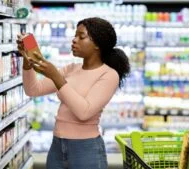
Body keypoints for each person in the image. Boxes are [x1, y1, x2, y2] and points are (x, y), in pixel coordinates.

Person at [17, 17, 130, 169]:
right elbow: (33, 90)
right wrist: (27, 61)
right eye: (75, 35)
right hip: (57, 145)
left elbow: (84, 112)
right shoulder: (71, 69)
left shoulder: (109, 75)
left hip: (86, 150)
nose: (74, 40)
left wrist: (56, 77)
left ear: (97, 44)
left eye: (81, 36)